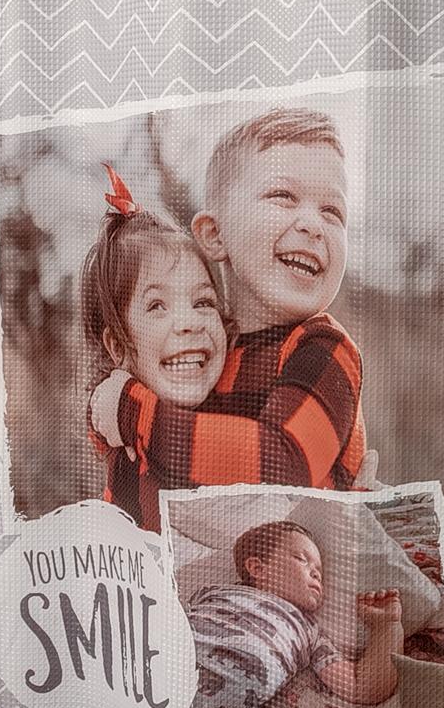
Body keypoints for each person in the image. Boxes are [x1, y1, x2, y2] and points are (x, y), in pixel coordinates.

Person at [90, 109, 365, 516]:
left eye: (332, 212)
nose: (313, 224)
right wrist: (109, 412)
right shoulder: (206, 348)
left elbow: (282, 465)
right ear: (215, 235)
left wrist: (133, 413)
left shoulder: (323, 349)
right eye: (283, 196)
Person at [185, 520, 404, 708]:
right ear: (257, 568)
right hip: (171, 655)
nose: (316, 573)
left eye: (319, 570)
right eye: (303, 559)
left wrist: (386, 626)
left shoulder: (308, 631)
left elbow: (362, 687)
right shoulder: (213, 592)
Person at [76, 164, 229, 527]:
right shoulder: (125, 441)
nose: (189, 323)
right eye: (157, 306)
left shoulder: (237, 408)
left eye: (203, 302)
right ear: (118, 346)